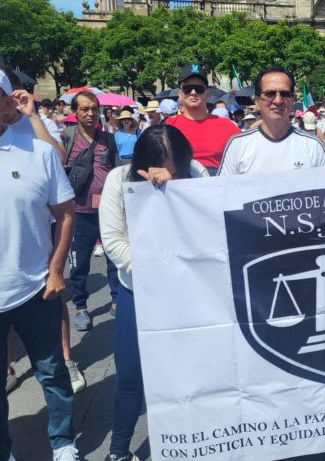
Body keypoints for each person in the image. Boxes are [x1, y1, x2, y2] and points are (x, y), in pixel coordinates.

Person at [0, 62, 81, 461]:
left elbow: (66, 213)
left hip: (35, 287)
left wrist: (55, 271)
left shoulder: (39, 154)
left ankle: (63, 442)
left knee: (51, 372)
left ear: (6, 102)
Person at [99, 125, 209, 461]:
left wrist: (176, 190)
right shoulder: (119, 179)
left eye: (176, 167)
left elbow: (208, 225)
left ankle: (198, 442)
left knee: (195, 376)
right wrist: (154, 269)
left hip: (190, 294)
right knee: (130, 377)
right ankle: (119, 450)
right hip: (139, 294)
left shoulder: (196, 173)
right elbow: (114, 240)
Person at [64, 91, 121, 331]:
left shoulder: (108, 139)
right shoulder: (66, 139)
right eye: (85, 109)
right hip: (79, 211)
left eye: (94, 108)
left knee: (113, 258)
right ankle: (80, 306)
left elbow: (117, 171)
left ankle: (117, 301)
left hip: (108, 210)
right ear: (75, 112)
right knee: (80, 262)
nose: (90, 113)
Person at [217, 66, 325, 175]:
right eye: (270, 94)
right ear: (257, 100)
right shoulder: (238, 145)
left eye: (284, 94)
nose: (278, 100)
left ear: (292, 100)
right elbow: (223, 191)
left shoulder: (313, 146)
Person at [165, 63, 240, 175]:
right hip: (179, 187)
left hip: (216, 187)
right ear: (180, 94)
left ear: (207, 93)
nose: (193, 93)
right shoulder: (167, 127)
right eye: (187, 89)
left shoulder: (228, 127)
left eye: (199, 89)